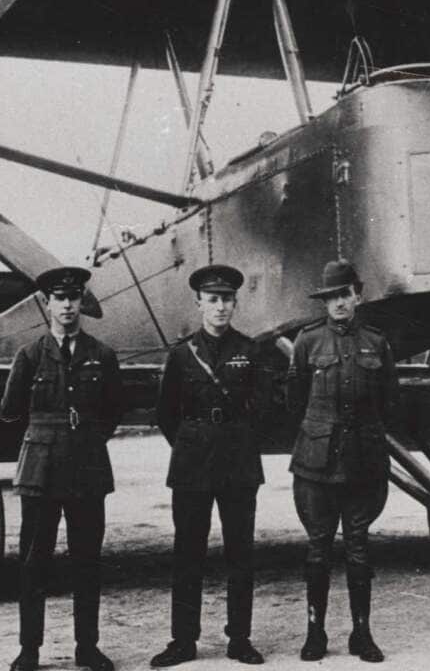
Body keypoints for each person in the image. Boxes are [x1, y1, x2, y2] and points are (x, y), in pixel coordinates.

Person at [0, 267, 124, 671]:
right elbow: (10, 412)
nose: (67, 305)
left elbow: (113, 412)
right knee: (34, 562)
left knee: (87, 560)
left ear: (81, 302)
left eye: (73, 297)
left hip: (87, 468)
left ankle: (87, 647)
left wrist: (85, 438)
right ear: (47, 303)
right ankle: (29, 650)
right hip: (41, 472)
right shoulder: (30, 355)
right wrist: (43, 439)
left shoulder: (102, 355)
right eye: (59, 298)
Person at [150, 264, 270, 667]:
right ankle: (183, 641)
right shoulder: (182, 354)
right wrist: (194, 442)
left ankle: (240, 639)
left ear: (235, 303)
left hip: (238, 462)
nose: (220, 307)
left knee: (240, 553)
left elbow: (265, 408)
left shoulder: (250, 351)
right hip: (193, 464)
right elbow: (166, 413)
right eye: (213, 299)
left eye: (227, 299)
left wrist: (238, 439)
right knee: (188, 553)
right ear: (199, 303)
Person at [286, 259, 397, 664]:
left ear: (357, 296)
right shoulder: (308, 342)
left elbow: (389, 401)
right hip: (316, 464)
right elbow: (294, 402)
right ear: (324, 302)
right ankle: (315, 632)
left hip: (363, 463)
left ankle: (361, 634)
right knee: (317, 549)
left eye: (344, 294)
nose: (338, 303)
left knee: (358, 549)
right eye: (331, 297)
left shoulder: (376, 343)